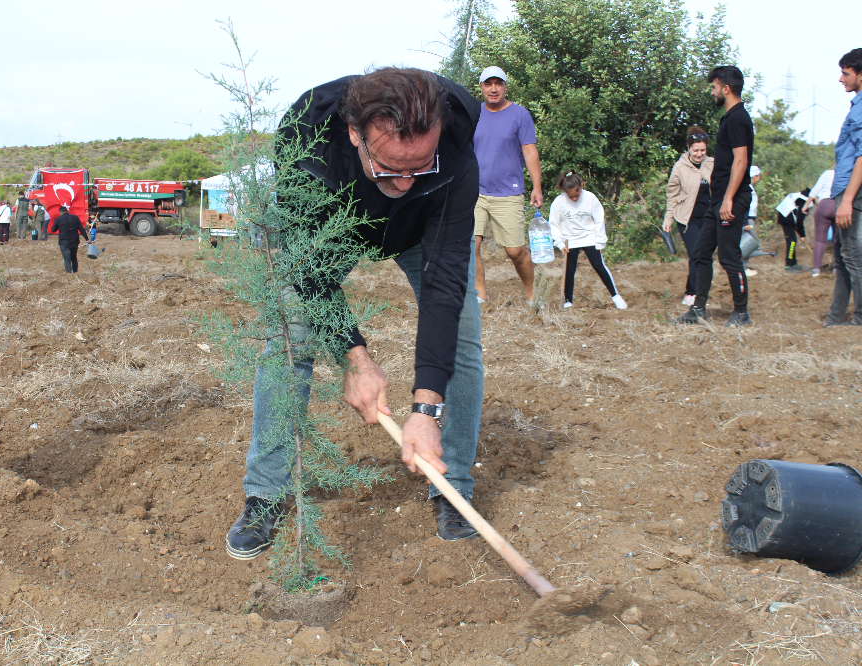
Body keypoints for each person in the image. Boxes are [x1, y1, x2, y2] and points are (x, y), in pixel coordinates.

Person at [225, 67, 485, 561]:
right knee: (288, 339)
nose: (406, 182)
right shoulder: (307, 145)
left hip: (419, 232)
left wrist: (425, 408)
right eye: (390, 168)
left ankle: (453, 489)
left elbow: (445, 285)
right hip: (334, 229)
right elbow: (310, 270)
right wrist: (357, 361)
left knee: (464, 344)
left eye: (420, 167)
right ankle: (266, 492)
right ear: (354, 136)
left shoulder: (455, 144)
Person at [676, 66, 755, 327]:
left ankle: (741, 313)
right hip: (717, 198)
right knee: (700, 253)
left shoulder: (737, 119)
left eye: (714, 87)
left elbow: (741, 161)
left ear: (726, 88)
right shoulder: (730, 118)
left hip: (730, 199)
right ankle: (698, 310)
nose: (712, 92)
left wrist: (729, 199)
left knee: (729, 256)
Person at [471, 66, 543, 304]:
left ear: (505, 86)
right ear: (481, 87)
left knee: (515, 251)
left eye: (498, 83)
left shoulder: (519, 114)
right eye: (488, 84)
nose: (493, 89)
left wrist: (537, 187)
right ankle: (480, 296)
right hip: (475, 192)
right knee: (471, 246)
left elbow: (530, 152)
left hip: (508, 192)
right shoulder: (474, 113)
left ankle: (533, 293)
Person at [823, 48, 862, 327]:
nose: (841, 79)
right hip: (845, 188)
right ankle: (835, 317)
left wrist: (847, 199)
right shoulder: (856, 105)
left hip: (852, 190)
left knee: (852, 255)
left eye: (846, 73)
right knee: (840, 256)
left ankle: (859, 318)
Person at [549, 170, 627, 310]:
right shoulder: (559, 202)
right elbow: (554, 224)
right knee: (569, 270)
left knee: (599, 266)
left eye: (576, 195)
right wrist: (560, 243)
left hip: (589, 237)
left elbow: (599, 219)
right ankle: (568, 301)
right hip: (570, 239)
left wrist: (600, 241)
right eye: (570, 196)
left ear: (582, 187)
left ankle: (616, 296)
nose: (574, 198)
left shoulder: (590, 198)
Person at [663, 126, 714, 305]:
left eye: (702, 150)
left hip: (708, 218)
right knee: (696, 254)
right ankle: (690, 293)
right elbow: (672, 195)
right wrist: (668, 219)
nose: (699, 154)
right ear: (688, 148)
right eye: (695, 150)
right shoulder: (680, 167)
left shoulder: (712, 164)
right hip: (687, 219)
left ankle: (701, 294)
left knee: (705, 256)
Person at [805, 169, 835, 276]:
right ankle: (836, 269)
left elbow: (815, 189)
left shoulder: (827, 173)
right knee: (838, 239)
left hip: (824, 205)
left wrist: (806, 204)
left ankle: (816, 270)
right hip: (839, 205)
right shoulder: (847, 173)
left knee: (820, 240)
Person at [775, 189, 811, 272]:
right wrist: (802, 234)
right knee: (792, 241)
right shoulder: (805, 200)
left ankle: (794, 264)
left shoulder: (803, 196)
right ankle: (788, 265)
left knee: (793, 240)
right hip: (786, 216)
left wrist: (800, 232)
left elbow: (797, 218)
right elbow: (799, 220)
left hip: (788, 216)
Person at [48, 205, 87, 273]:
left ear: (60, 212)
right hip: (74, 241)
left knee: (67, 259)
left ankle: (69, 274)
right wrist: (87, 239)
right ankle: (75, 273)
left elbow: (53, 230)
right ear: (67, 211)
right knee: (74, 258)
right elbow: (81, 229)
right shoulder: (75, 218)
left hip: (64, 242)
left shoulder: (58, 219)